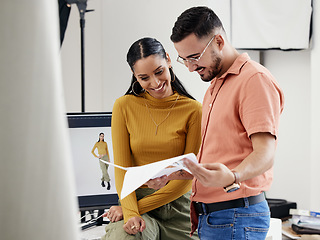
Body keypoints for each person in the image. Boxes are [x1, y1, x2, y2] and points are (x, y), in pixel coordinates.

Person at [162, 6, 284, 240]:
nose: (190, 68)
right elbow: (218, 164)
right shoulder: (215, 87)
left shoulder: (253, 80)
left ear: (218, 41)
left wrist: (233, 177)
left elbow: (266, 154)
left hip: (236, 216)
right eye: (184, 59)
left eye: (195, 57)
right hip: (215, 219)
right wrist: (169, 175)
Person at [100, 37, 202, 240]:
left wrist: (132, 209)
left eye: (159, 71)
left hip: (178, 207)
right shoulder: (124, 106)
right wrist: (131, 212)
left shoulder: (193, 110)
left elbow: (189, 175)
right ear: (134, 75)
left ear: (168, 60)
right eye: (144, 77)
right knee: (127, 237)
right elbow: (122, 171)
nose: (155, 83)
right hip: (135, 202)